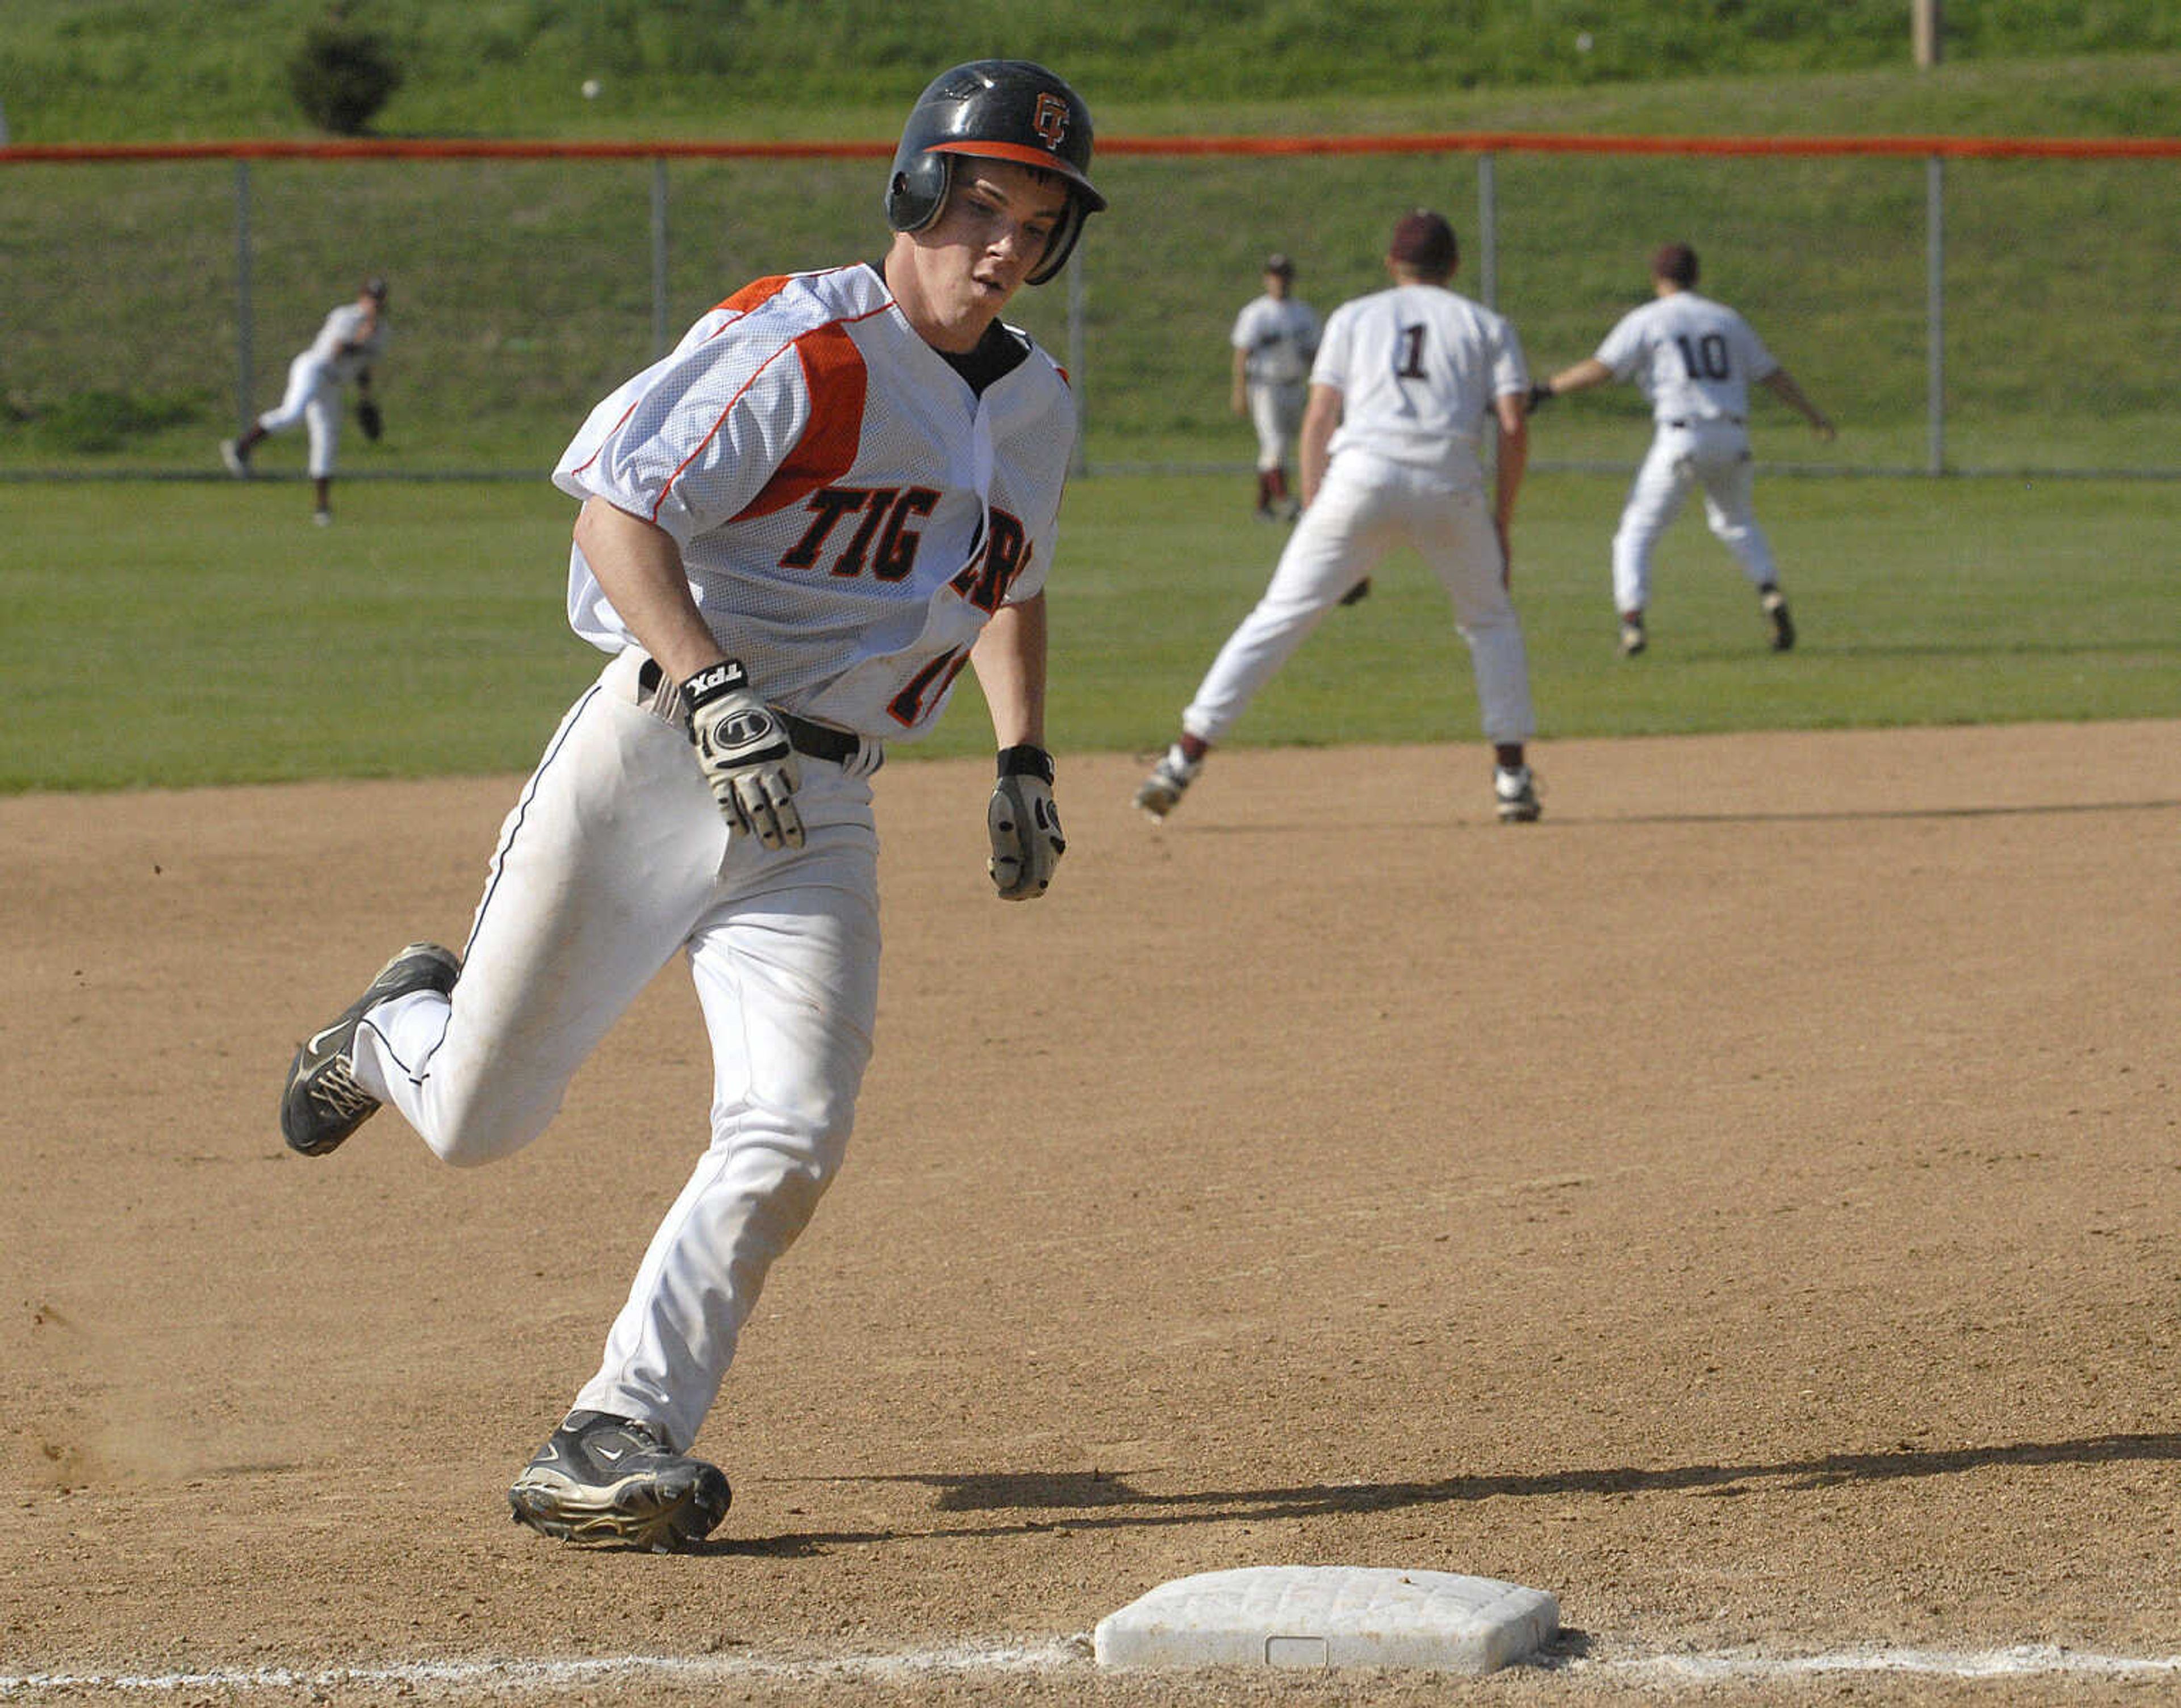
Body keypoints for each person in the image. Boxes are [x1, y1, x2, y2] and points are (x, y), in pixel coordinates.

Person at [275, 59, 1100, 1552]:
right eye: (979, 203)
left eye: (1035, 218)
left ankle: (615, 1427)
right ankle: (391, 1030)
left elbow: (1004, 587)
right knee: (477, 1121)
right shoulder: (801, 342)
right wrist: (712, 681)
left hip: (823, 809)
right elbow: (621, 509)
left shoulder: (1036, 406)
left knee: (790, 1129)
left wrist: (1022, 756)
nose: (1002, 243)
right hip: (660, 753)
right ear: (917, 193)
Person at [1136, 210, 1542, 827]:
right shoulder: (1486, 324)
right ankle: (1512, 776)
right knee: (1490, 622)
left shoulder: (1355, 315)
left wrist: (1315, 506)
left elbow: (1320, 417)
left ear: (1391, 265)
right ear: (1454, 267)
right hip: (1449, 483)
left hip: (1360, 478)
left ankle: (1181, 760)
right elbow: (1513, 425)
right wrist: (1502, 526)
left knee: (1277, 617)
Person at [1533, 241, 1835, 656]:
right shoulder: (1727, 319)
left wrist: (1547, 390)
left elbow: (1602, 368)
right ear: (1697, 276)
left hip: (1682, 436)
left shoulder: (1649, 319)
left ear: (1658, 279)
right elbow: (1771, 374)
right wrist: (1812, 413)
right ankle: (1769, 591)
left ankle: (1633, 623)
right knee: (1737, 521)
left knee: (1636, 533)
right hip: (1733, 435)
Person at [222, 276, 391, 525]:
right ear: (361, 297)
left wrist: (365, 399)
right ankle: (241, 447)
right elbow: (338, 350)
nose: (374, 303)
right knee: (293, 414)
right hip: (313, 369)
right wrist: (362, 339)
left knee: (326, 439)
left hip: (333, 385)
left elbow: (364, 367)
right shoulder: (346, 316)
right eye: (371, 298)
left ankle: (322, 509)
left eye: (379, 299)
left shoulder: (384, 332)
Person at [1229, 253, 1321, 521]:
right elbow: (1242, 354)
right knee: (1275, 443)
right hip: (1265, 387)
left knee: (1280, 447)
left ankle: (1263, 507)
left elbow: (1314, 354)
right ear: (1266, 279)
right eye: (1274, 276)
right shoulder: (1256, 313)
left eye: (1283, 276)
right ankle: (1287, 501)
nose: (1279, 281)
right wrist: (1239, 391)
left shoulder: (1303, 313)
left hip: (1295, 385)